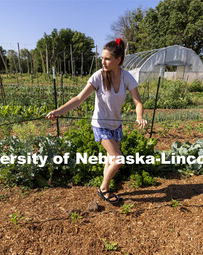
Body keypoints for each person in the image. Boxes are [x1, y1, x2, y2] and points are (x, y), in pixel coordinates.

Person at [46, 38, 147, 204]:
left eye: (107, 59)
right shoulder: (98, 76)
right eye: (102, 58)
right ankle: (103, 189)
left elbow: (138, 101)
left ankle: (105, 187)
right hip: (100, 125)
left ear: (118, 60)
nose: (103, 62)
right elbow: (79, 98)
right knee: (119, 159)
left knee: (110, 159)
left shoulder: (126, 77)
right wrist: (58, 112)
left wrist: (139, 116)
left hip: (116, 125)